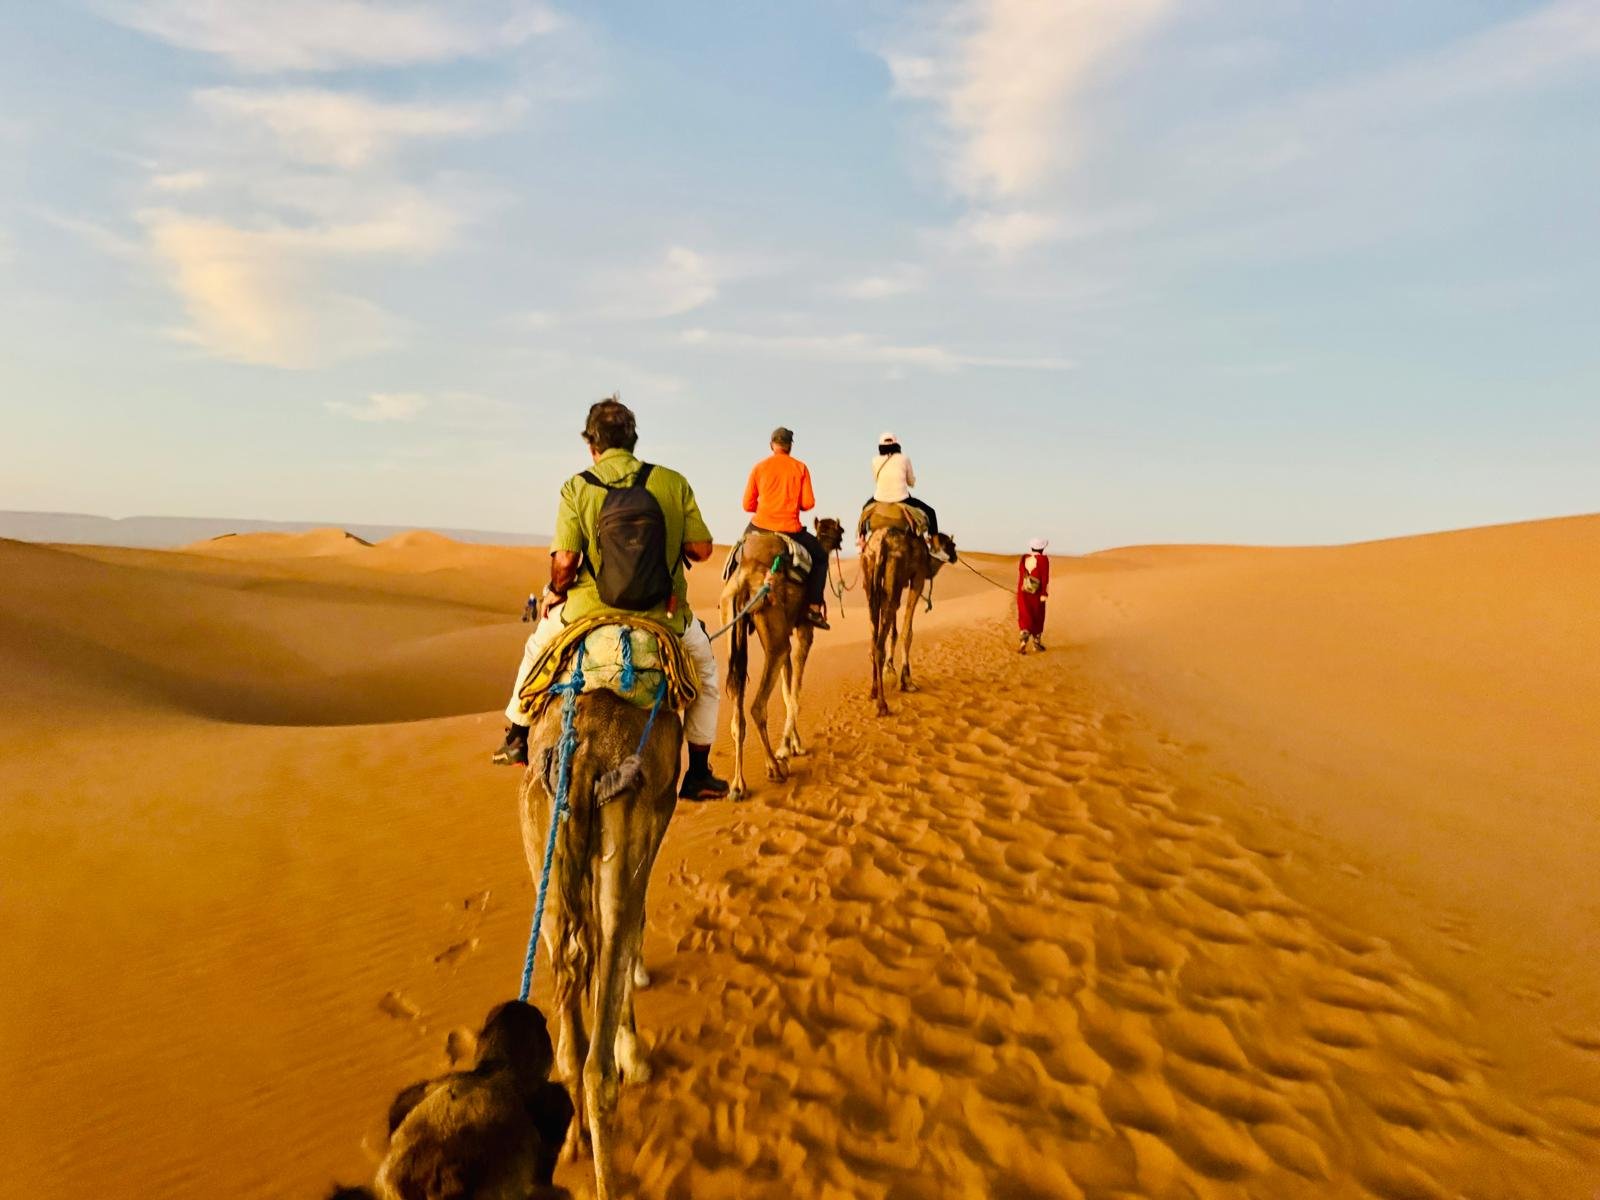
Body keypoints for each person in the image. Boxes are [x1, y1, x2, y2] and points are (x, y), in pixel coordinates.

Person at [491, 398, 729, 801]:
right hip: (664, 617)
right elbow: (702, 550)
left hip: (587, 613)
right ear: (633, 440)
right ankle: (699, 773)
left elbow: (565, 562)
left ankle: (516, 734)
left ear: (592, 444)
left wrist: (554, 592)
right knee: (706, 678)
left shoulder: (577, 486)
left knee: (537, 647)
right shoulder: (672, 482)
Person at [741, 426, 830, 630]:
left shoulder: (759, 467)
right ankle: (814, 608)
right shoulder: (800, 468)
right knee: (820, 558)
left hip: (760, 526)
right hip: (790, 529)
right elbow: (808, 503)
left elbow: (747, 505)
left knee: (739, 553)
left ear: (772, 444)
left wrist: (766, 506)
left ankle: (729, 597)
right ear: (789, 446)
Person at [861, 431, 946, 560]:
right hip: (902, 498)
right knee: (931, 512)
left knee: (864, 512)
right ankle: (935, 547)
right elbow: (911, 482)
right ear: (896, 444)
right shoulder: (904, 458)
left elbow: (876, 480)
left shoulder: (874, 460)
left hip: (879, 498)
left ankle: (861, 540)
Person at [1017, 537, 1050, 653]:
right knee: (1038, 616)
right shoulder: (1043, 560)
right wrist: (1044, 593)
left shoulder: (1024, 558)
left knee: (1025, 614)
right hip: (1037, 593)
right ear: (1042, 548)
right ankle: (1036, 643)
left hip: (1023, 592)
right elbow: (1044, 578)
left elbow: (1022, 574)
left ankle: (1023, 640)